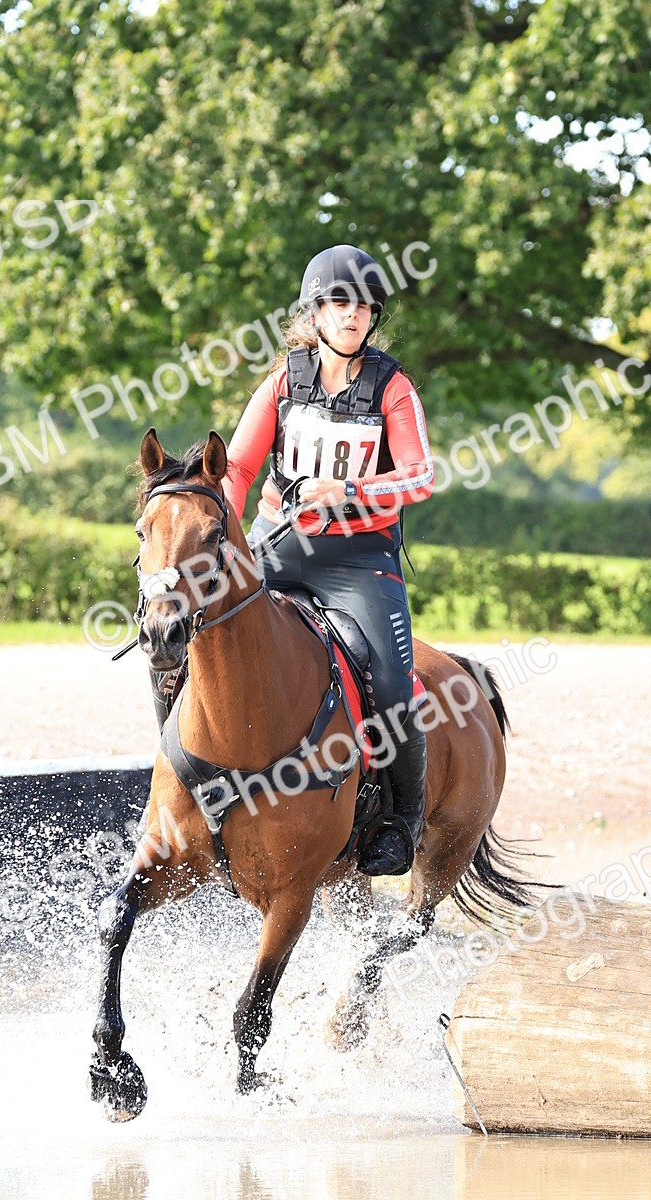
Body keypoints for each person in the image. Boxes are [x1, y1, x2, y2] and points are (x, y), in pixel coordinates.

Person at [222, 244, 434, 876]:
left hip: (360, 559)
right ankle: (189, 776)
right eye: (340, 303)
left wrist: (351, 493)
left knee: (394, 686)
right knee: (194, 629)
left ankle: (401, 821)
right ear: (314, 314)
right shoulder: (284, 382)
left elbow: (420, 478)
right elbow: (235, 469)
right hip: (280, 542)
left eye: (364, 305)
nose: (353, 315)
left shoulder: (393, 387)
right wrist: (218, 541)